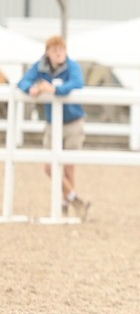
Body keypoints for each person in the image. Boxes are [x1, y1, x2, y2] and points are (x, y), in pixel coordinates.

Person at [17, 35, 89, 218]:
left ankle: (65, 205)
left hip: (73, 121)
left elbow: (77, 83)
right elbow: (23, 81)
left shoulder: (72, 66)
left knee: (68, 167)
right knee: (49, 166)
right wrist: (31, 89)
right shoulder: (40, 67)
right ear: (47, 52)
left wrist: (55, 89)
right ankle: (74, 198)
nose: (58, 54)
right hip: (52, 123)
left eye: (61, 50)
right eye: (54, 50)